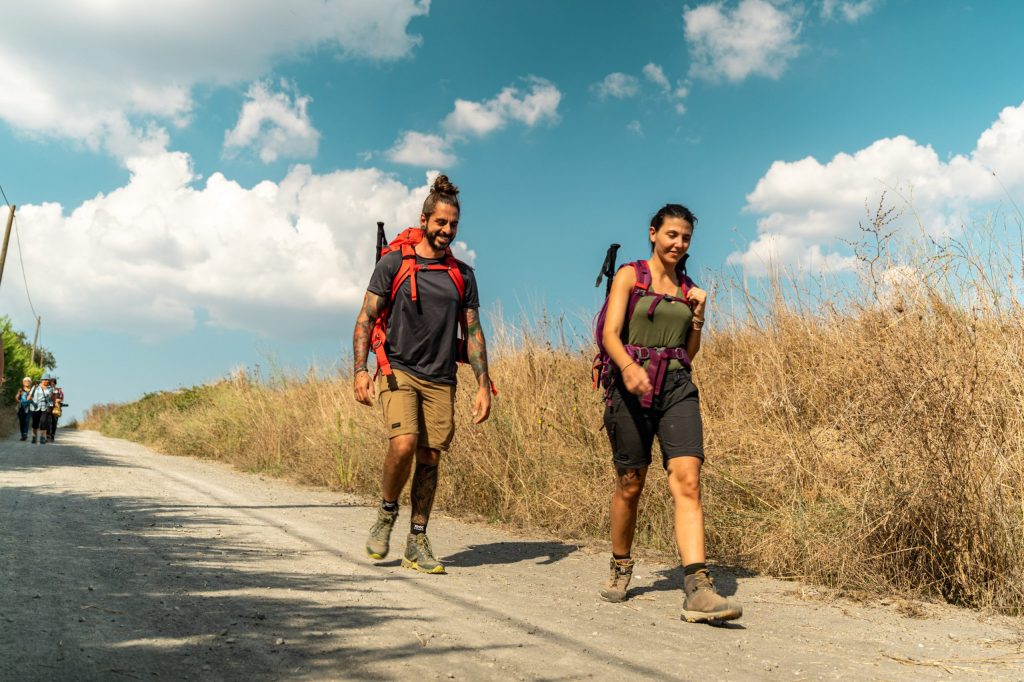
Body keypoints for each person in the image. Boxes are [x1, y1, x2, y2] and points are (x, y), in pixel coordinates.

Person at [598, 204, 742, 623]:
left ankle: (698, 586)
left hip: (677, 385)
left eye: (686, 238)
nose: (679, 244)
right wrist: (628, 368)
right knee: (631, 482)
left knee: (689, 480)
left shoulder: (688, 288)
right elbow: (610, 334)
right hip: (629, 386)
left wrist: (698, 317)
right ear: (653, 234)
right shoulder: (630, 275)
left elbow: (689, 353)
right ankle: (621, 564)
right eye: (672, 235)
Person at [352, 175, 493, 574]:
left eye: (453, 226)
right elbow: (365, 319)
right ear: (425, 219)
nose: (447, 231)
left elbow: (474, 330)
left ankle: (417, 538)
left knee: (431, 457)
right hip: (398, 369)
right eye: (441, 223)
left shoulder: (462, 275)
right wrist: (360, 371)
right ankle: (385, 513)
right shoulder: (394, 263)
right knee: (404, 443)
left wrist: (483, 384)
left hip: (442, 377)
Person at [28, 376, 55, 444]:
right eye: (44, 380)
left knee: (43, 422)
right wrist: (29, 398)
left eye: (47, 380)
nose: (46, 381)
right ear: (41, 380)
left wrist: (53, 405)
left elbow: (53, 398)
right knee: (35, 423)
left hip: (45, 407)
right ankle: (34, 436)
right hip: (35, 407)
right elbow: (29, 396)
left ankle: (42, 438)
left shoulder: (51, 389)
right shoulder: (35, 387)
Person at [15, 377, 33, 441]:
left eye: (28, 381)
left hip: (29, 408)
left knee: (27, 421)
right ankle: (23, 435)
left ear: (30, 382)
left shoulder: (32, 390)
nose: (27, 382)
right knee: (22, 422)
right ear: (23, 383)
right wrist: (18, 400)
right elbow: (17, 397)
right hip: (21, 407)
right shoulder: (21, 390)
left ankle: (25, 434)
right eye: (25, 381)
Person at [48, 377, 64, 441]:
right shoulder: (46, 389)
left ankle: (52, 435)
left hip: (56, 408)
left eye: (53, 382)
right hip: (48, 407)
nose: (52, 384)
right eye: (51, 382)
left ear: (55, 383)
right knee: (47, 421)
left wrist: (57, 400)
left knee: (54, 422)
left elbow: (61, 398)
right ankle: (48, 434)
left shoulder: (59, 390)